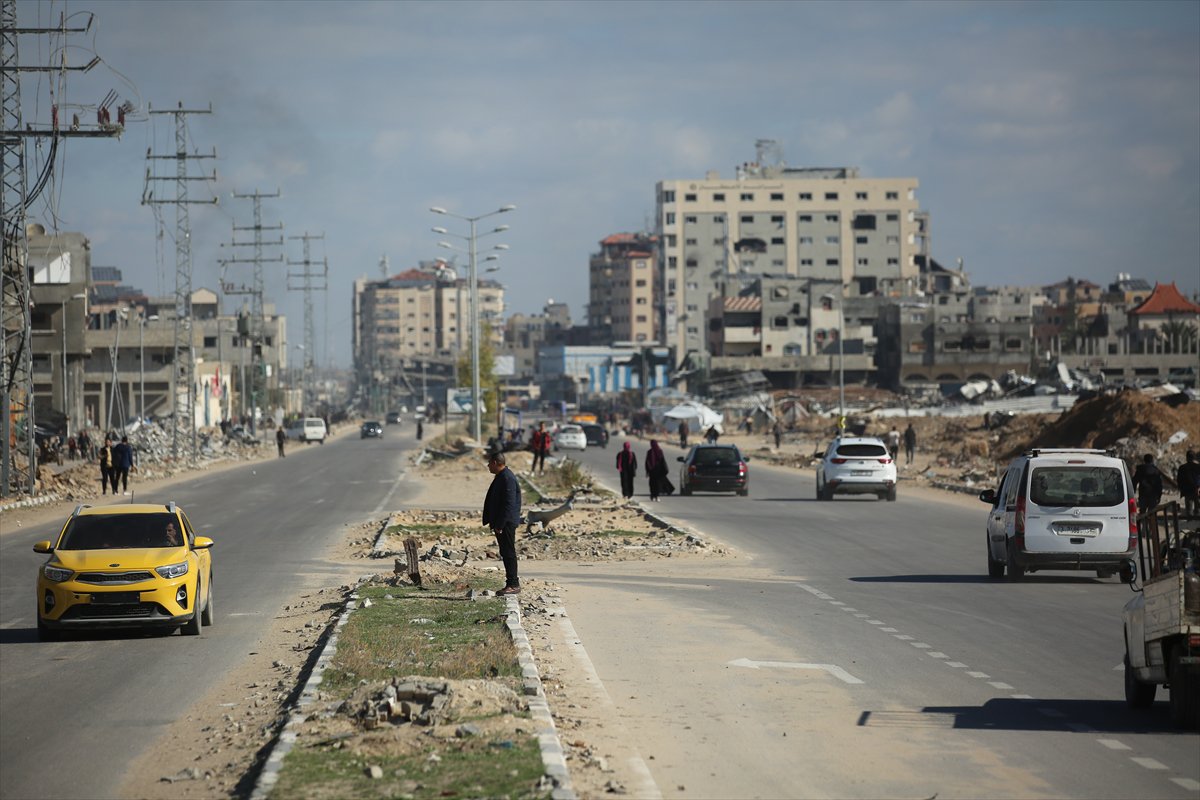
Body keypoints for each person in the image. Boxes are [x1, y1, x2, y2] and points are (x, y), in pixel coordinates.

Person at [482, 452, 522, 595]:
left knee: (509, 552)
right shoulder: (501, 476)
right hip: (502, 522)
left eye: (489, 463)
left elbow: (509, 504)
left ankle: (513, 584)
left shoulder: (507, 478)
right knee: (505, 552)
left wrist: (500, 524)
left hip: (506, 523)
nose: (488, 466)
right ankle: (510, 583)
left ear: (495, 463)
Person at [1176, 450, 1200, 517]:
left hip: (1187, 492)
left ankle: (1190, 520)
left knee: (1189, 511)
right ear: (1194, 457)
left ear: (1186, 457)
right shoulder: (1198, 467)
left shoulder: (1182, 468)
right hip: (1197, 491)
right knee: (1198, 511)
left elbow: (1179, 480)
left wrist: (1182, 489)